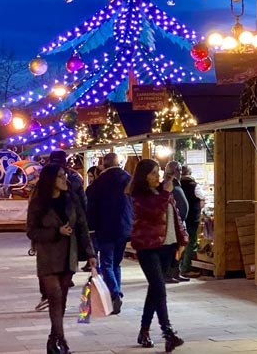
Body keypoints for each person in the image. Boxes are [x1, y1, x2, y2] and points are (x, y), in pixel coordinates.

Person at [27, 164, 96, 354]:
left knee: (62, 299)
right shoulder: (39, 203)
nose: (64, 179)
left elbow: (82, 227)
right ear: (50, 180)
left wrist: (90, 254)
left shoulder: (71, 199)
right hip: (48, 257)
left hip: (69, 255)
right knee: (55, 295)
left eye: (64, 175)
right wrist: (56, 231)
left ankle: (53, 340)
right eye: (59, 176)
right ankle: (62, 341)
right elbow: (31, 231)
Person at [128, 159, 187, 351]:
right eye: (153, 173)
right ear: (143, 176)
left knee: (155, 290)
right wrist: (166, 193)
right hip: (148, 247)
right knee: (159, 288)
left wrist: (181, 238)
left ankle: (144, 331)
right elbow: (153, 212)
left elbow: (174, 215)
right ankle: (167, 332)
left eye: (158, 172)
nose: (157, 176)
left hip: (166, 246)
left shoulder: (161, 192)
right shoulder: (139, 195)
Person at [86, 152, 132, 315]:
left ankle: (115, 293)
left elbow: (91, 209)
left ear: (103, 165)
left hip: (105, 227)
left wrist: (91, 229)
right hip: (124, 227)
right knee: (116, 263)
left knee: (106, 263)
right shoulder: (128, 179)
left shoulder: (98, 184)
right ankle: (115, 293)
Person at [163, 160, 189, 283]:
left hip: (179, 222)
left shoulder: (176, 184)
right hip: (173, 224)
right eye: (179, 170)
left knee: (179, 250)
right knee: (172, 250)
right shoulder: (169, 184)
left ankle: (176, 271)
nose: (180, 172)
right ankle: (169, 273)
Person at [179, 166, 206, 277]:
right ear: (190, 173)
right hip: (192, 218)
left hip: (180, 218)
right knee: (191, 242)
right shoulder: (194, 186)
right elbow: (202, 198)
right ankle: (186, 267)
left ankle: (178, 267)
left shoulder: (177, 185)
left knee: (181, 243)